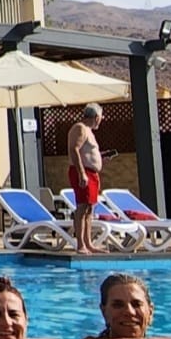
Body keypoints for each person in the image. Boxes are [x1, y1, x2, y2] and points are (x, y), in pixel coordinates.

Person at [67, 103, 104, 254]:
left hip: (91, 173)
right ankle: (81, 244)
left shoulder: (88, 130)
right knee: (82, 207)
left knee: (89, 209)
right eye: (101, 117)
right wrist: (81, 173)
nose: (101, 120)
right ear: (96, 117)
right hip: (83, 172)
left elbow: (86, 152)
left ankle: (88, 243)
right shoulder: (80, 128)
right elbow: (74, 149)